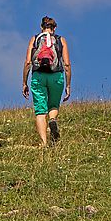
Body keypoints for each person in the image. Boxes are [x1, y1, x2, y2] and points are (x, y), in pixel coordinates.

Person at [22, 16, 71, 146]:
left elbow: (28, 62)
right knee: (53, 105)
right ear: (54, 28)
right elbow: (66, 64)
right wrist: (68, 85)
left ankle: (44, 143)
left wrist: (24, 82)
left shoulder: (35, 39)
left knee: (40, 111)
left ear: (41, 27)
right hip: (56, 76)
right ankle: (53, 119)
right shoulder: (61, 40)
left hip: (39, 75)